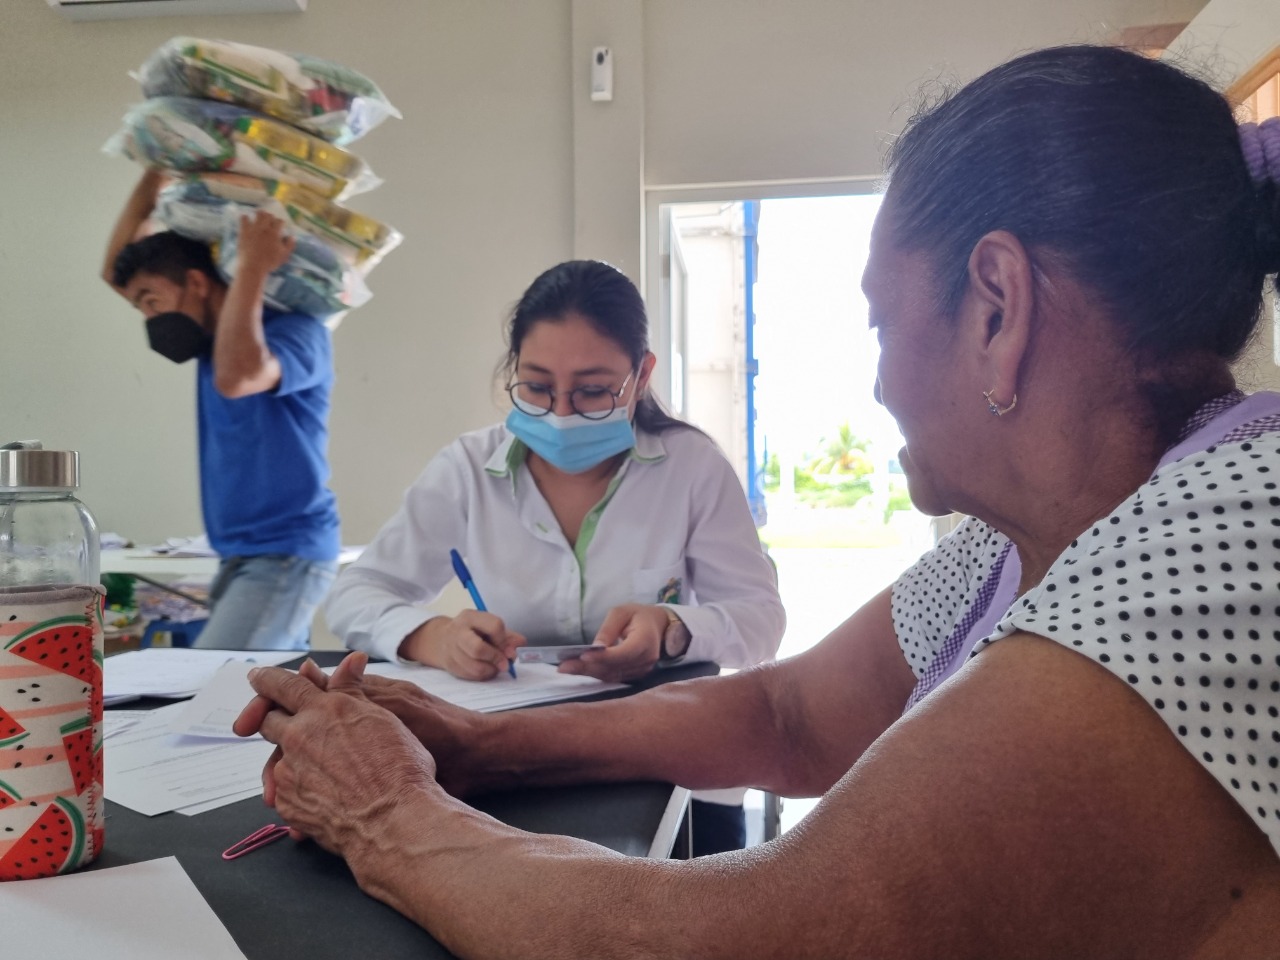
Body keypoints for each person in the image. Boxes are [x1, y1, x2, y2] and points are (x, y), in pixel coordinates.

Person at [237, 45, 1280, 956]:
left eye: (880, 326)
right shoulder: (1021, 543)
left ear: (998, 310)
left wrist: (388, 813)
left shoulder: (1225, 543)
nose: (879, 384)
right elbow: (792, 714)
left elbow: (742, 937)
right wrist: (480, 745)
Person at [323, 259, 786, 853]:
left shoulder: (692, 470)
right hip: (514, 761)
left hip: (673, 772)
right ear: (514, 368)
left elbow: (761, 622)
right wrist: (430, 637)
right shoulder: (467, 471)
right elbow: (356, 594)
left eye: (592, 391)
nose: (562, 415)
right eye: (538, 387)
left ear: (641, 375)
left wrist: (672, 629)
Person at [104, 169, 340, 651]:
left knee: (210, 683)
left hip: (284, 554)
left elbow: (239, 377)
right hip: (239, 557)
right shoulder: (212, 342)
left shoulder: (297, 331)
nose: (149, 318)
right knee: (266, 691)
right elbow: (115, 273)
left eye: (151, 301)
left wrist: (253, 265)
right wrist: (154, 174)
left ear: (196, 282)